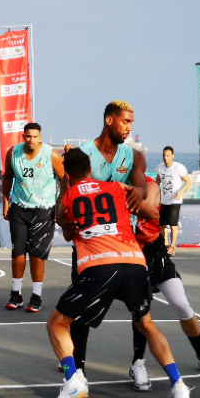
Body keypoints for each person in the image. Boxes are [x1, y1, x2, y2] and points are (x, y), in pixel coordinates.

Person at [48, 149, 193, 398]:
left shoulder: (68, 195)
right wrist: (144, 204)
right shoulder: (115, 186)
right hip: (135, 263)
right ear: (90, 170)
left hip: (99, 266)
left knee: (58, 323)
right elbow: (150, 212)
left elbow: (63, 223)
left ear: (68, 175)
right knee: (146, 324)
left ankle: (73, 378)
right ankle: (179, 386)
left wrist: (63, 186)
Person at [56, 100, 147, 372]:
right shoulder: (81, 154)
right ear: (109, 120)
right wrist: (63, 223)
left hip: (126, 242)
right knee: (82, 309)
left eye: (131, 122)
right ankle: (78, 368)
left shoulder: (134, 157)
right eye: (125, 122)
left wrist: (125, 191)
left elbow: (141, 191)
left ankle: (138, 363)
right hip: (89, 245)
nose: (129, 127)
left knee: (140, 311)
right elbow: (64, 197)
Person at [127, 175, 200, 391]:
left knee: (183, 307)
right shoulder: (112, 185)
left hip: (159, 260)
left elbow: (152, 202)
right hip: (134, 262)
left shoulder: (146, 183)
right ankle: (138, 363)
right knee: (142, 315)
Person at [2, 123, 64, 313]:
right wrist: (6, 202)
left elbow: (65, 179)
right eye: (28, 136)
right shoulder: (13, 153)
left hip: (43, 210)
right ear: (23, 137)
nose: (31, 140)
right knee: (17, 252)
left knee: (37, 255)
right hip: (19, 208)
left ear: (40, 137)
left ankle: (36, 296)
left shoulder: (51, 155)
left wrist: (59, 208)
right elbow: (8, 178)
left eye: (35, 137)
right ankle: (16, 294)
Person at [156, 146, 191, 256]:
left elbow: (188, 182)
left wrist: (180, 192)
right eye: (164, 155)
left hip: (175, 200)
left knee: (172, 223)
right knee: (162, 224)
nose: (165, 158)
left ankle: (172, 247)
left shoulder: (178, 167)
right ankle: (164, 245)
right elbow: (157, 183)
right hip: (164, 200)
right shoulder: (160, 168)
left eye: (168, 155)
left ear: (172, 156)